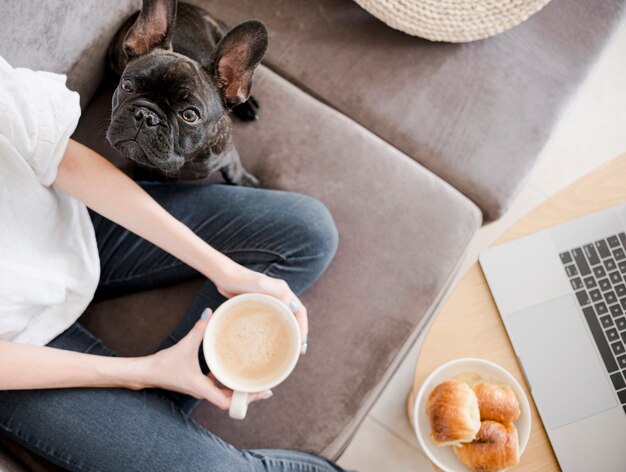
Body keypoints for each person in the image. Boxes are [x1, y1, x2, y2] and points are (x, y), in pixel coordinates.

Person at [0, 56, 344, 471]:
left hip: (71, 224)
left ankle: (158, 416)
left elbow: (58, 154)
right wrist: (140, 372)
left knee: (309, 231)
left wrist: (224, 269)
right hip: (23, 355)